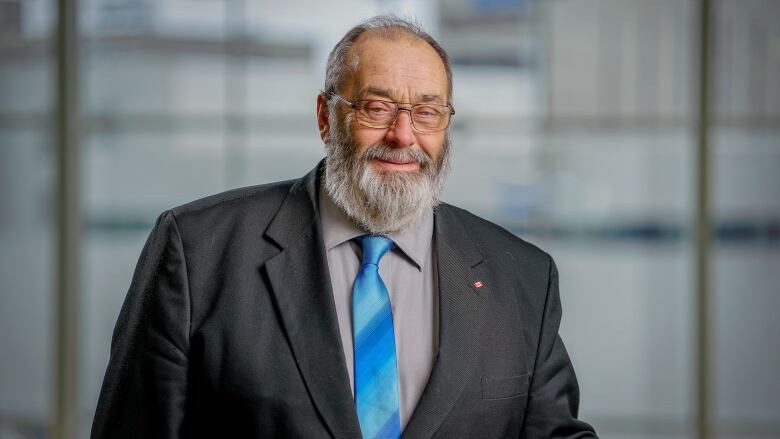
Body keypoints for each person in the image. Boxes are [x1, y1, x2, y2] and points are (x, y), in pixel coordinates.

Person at [91, 15, 597, 439]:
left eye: (427, 112)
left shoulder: (524, 277)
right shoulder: (198, 251)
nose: (403, 136)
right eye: (376, 108)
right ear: (325, 116)